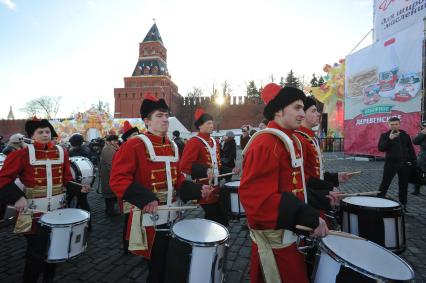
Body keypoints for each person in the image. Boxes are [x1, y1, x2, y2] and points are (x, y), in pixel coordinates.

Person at [109, 94, 214, 283]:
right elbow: (118, 180)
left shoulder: (173, 146)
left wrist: (197, 190)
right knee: (156, 268)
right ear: (147, 121)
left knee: (171, 265)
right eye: (159, 115)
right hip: (151, 218)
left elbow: (178, 179)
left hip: (173, 216)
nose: (165, 119)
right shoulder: (134, 145)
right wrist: (145, 198)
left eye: (166, 115)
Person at [239, 84, 330, 283]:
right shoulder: (266, 144)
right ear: (279, 111)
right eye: (297, 108)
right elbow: (258, 201)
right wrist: (307, 215)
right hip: (275, 245)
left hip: (289, 237)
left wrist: (323, 196)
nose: (301, 113)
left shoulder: (288, 140)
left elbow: (294, 185)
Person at [0, 118, 89, 283]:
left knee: (54, 252)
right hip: (33, 214)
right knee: (36, 254)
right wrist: (17, 198)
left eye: (47, 131)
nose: (45, 135)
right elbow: (3, 179)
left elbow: (66, 180)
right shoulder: (22, 154)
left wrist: (78, 188)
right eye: (40, 132)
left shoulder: (62, 152)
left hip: (57, 212)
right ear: (32, 135)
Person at [180, 108, 238, 226]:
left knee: (219, 218)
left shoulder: (214, 142)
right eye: (209, 123)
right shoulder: (194, 142)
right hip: (203, 188)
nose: (212, 125)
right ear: (200, 126)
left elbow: (218, 166)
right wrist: (205, 170)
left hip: (216, 187)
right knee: (214, 217)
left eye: (212, 123)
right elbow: (184, 165)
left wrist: (230, 170)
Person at [378, 117, 416, 211]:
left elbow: (410, 149)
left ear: (399, 124)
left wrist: (413, 161)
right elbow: (381, 148)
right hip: (390, 164)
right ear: (389, 125)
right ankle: (378, 202)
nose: (394, 126)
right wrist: (389, 139)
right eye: (392, 124)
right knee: (385, 184)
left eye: (396, 124)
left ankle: (403, 205)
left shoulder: (405, 135)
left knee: (403, 185)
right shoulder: (385, 135)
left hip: (404, 164)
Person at [67, 133, 92, 224]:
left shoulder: (78, 151)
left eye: (73, 144)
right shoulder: (86, 149)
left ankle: (71, 220)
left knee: (71, 201)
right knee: (83, 202)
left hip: (76, 181)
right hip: (82, 180)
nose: (72, 146)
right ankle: (88, 223)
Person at [100, 134, 120, 216]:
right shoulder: (108, 149)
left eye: (117, 140)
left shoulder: (112, 148)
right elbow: (111, 165)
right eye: (115, 141)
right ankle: (110, 212)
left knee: (111, 194)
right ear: (110, 141)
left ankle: (110, 210)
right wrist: (115, 176)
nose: (116, 142)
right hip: (109, 176)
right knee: (109, 194)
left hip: (110, 175)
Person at [411, 122, 426, 195]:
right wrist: (422, 134)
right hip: (423, 156)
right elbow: (415, 141)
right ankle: (416, 190)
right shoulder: (421, 133)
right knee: (419, 173)